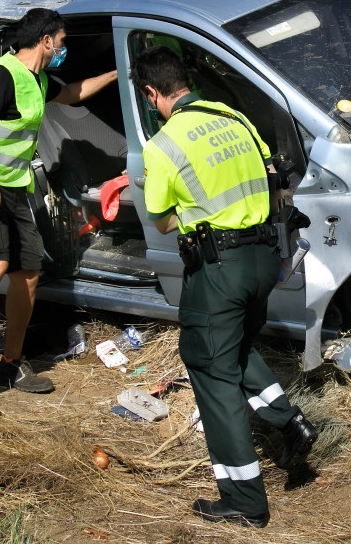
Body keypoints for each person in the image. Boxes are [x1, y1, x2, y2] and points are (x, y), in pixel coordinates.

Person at [132, 44, 317, 529]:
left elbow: (163, 223)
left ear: (152, 93)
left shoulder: (164, 144)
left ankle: (244, 500)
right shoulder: (233, 118)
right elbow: (273, 180)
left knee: (208, 367)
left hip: (220, 268)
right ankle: (288, 421)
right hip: (264, 262)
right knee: (229, 350)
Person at [0, 8, 118, 415]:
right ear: (46, 40)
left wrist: (117, 72)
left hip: (12, 186)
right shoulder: (3, 74)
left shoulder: (36, 78)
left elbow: (70, 93)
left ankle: (10, 366)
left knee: (29, 273)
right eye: (63, 40)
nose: (64, 47)